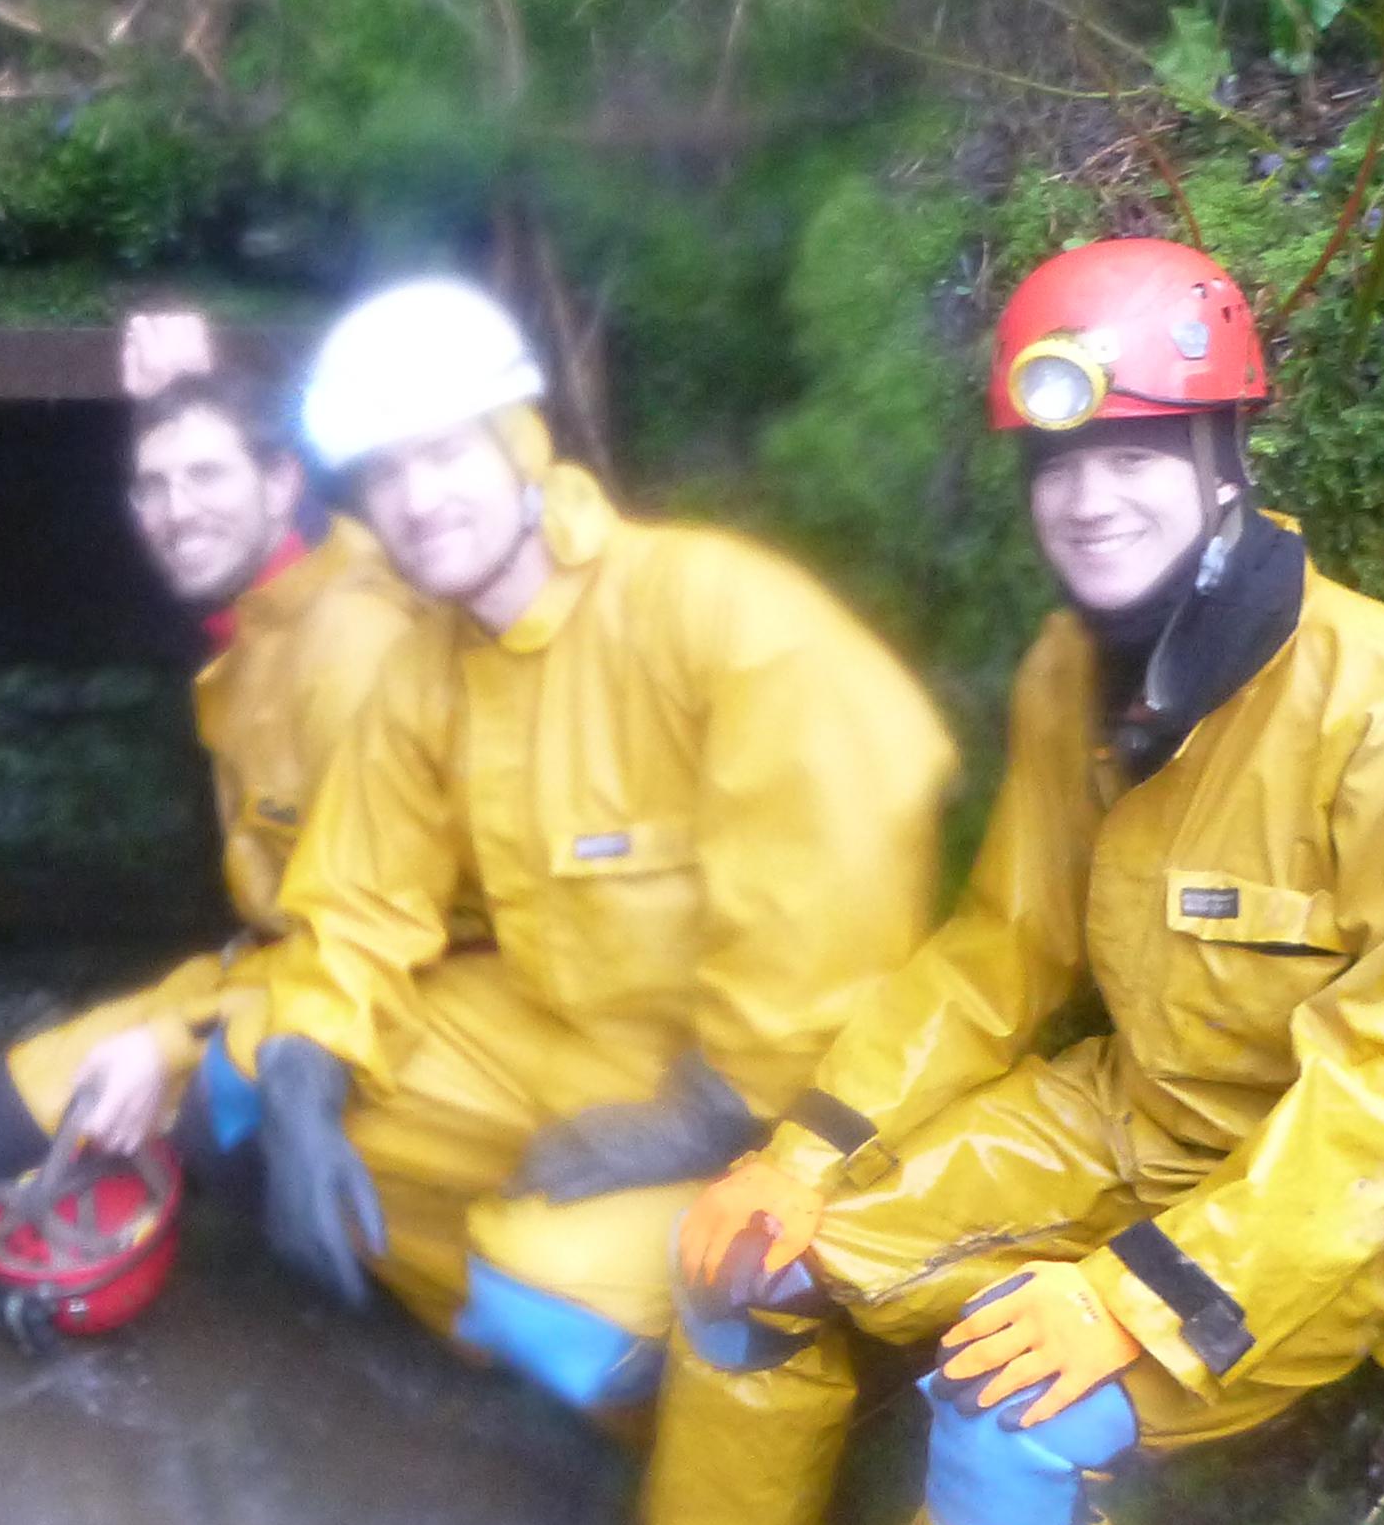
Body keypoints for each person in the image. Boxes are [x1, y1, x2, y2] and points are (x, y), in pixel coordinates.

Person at [637, 237, 1384, 1525]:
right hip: (1124, 1114)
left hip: (1349, 1207)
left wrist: (1142, 1298)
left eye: (1134, 452)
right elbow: (1001, 951)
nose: (1088, 499)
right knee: (745, 1269)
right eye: (1058, 464)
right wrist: (806, 1150)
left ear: (1226, 457)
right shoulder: (1071, 672)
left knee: (1013, 1423)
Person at [246, 279, 956, 1430]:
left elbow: (836, 931)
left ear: (519, 441)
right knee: (283, 1075)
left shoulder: (716, 613)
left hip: (791, 1112)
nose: (417, 500)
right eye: (383, 474)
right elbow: (358, 900)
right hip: (582, 1046)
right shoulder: (426, 673)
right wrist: (298, 1082)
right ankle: (531, 1348)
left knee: (542, 1291)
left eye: (444, 454)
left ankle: (684, 1385)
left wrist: (706, 1116)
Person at [0, 311, 429, 1227]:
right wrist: (183, 394)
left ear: (281, 483)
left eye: (206, 475)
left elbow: (373, 938)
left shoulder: (352, 644)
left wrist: (168, 1045)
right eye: (154, 488)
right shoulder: (259, 613)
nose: (176, 510)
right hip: (268, 963)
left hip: (367, 994)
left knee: (216, 1126)